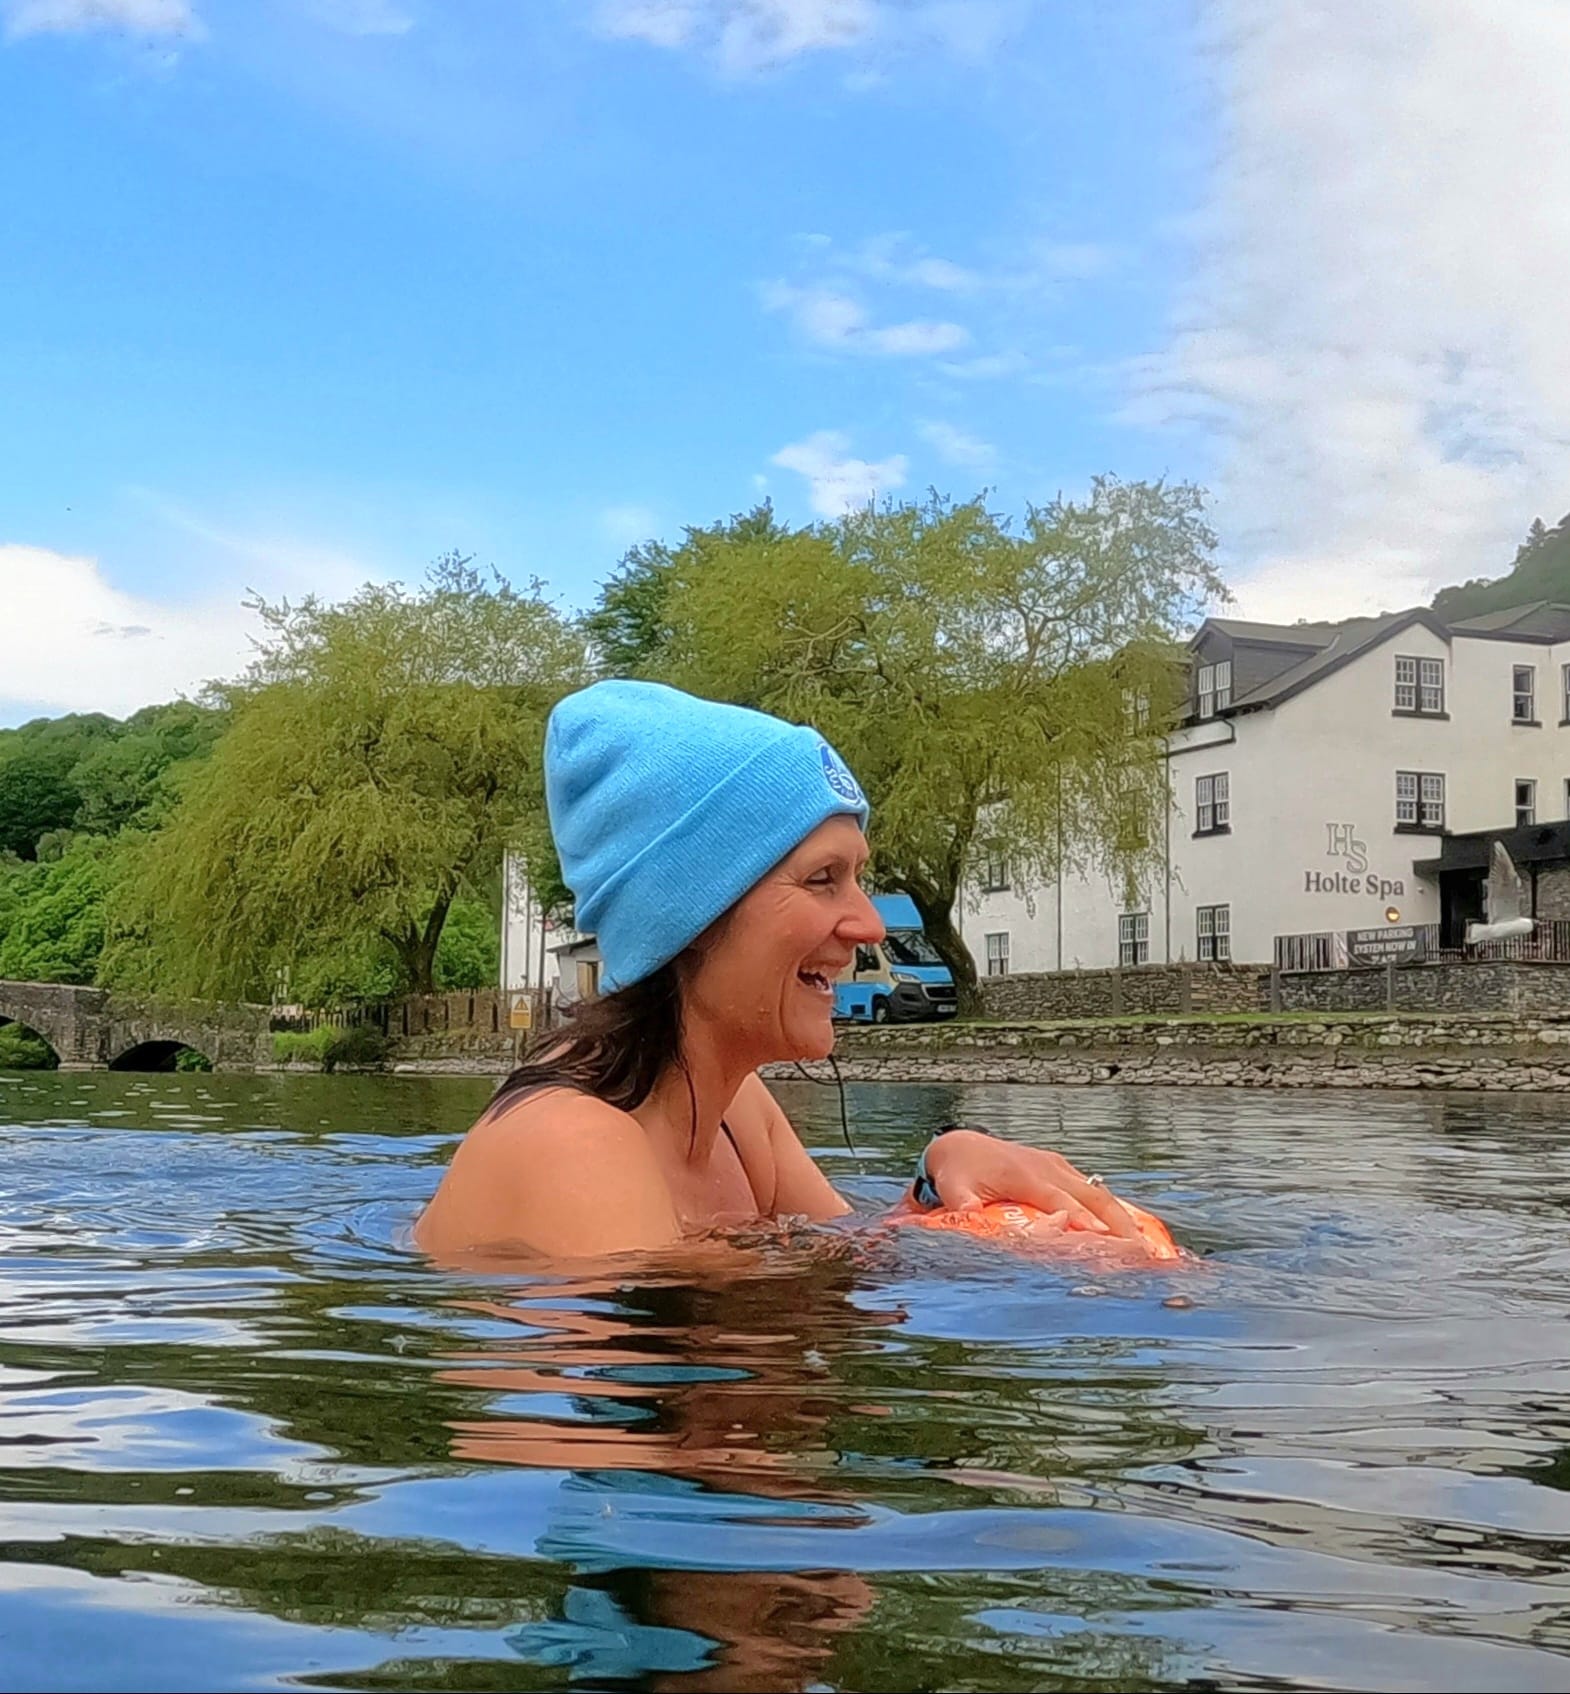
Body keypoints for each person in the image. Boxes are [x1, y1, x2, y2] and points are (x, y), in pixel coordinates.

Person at [415, 680, 1146, 1261]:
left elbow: (855, 1261)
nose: (866, 924)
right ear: (692, 918)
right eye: (823, 878)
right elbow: (683, 1377)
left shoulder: (737, 1111)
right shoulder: (573, 1144)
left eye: (859, 877)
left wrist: (943, 1166)